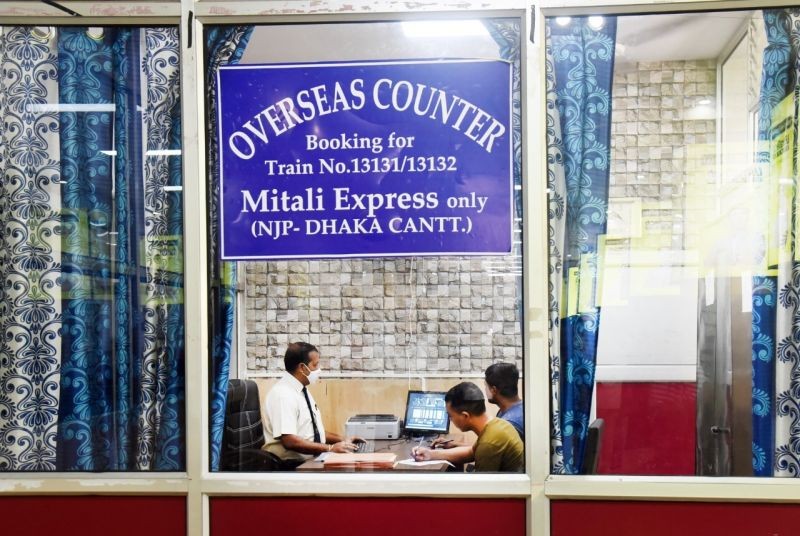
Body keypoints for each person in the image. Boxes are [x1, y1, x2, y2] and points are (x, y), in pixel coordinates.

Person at [262, 342, 360, 468]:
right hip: (292, 466)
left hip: (311, 459)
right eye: (315, 365)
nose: (319, 369)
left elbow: (312, 432)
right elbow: (289, 441)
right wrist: (330, 448)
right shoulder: (283, 395)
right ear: (302, 368)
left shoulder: (301, 389)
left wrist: (343, 440)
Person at [412, 381, 523, 472]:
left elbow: (483, 491)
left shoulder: (489, 442)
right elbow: (471, 452)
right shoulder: (496, 424)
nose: (450, 420)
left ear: (465, 416)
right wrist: (430, 454)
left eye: (450, 416)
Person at [485, 362, 524, 439]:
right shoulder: (523, 407)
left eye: (486, 386)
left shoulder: (508, 424)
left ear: (493, 390)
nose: (485, 390)